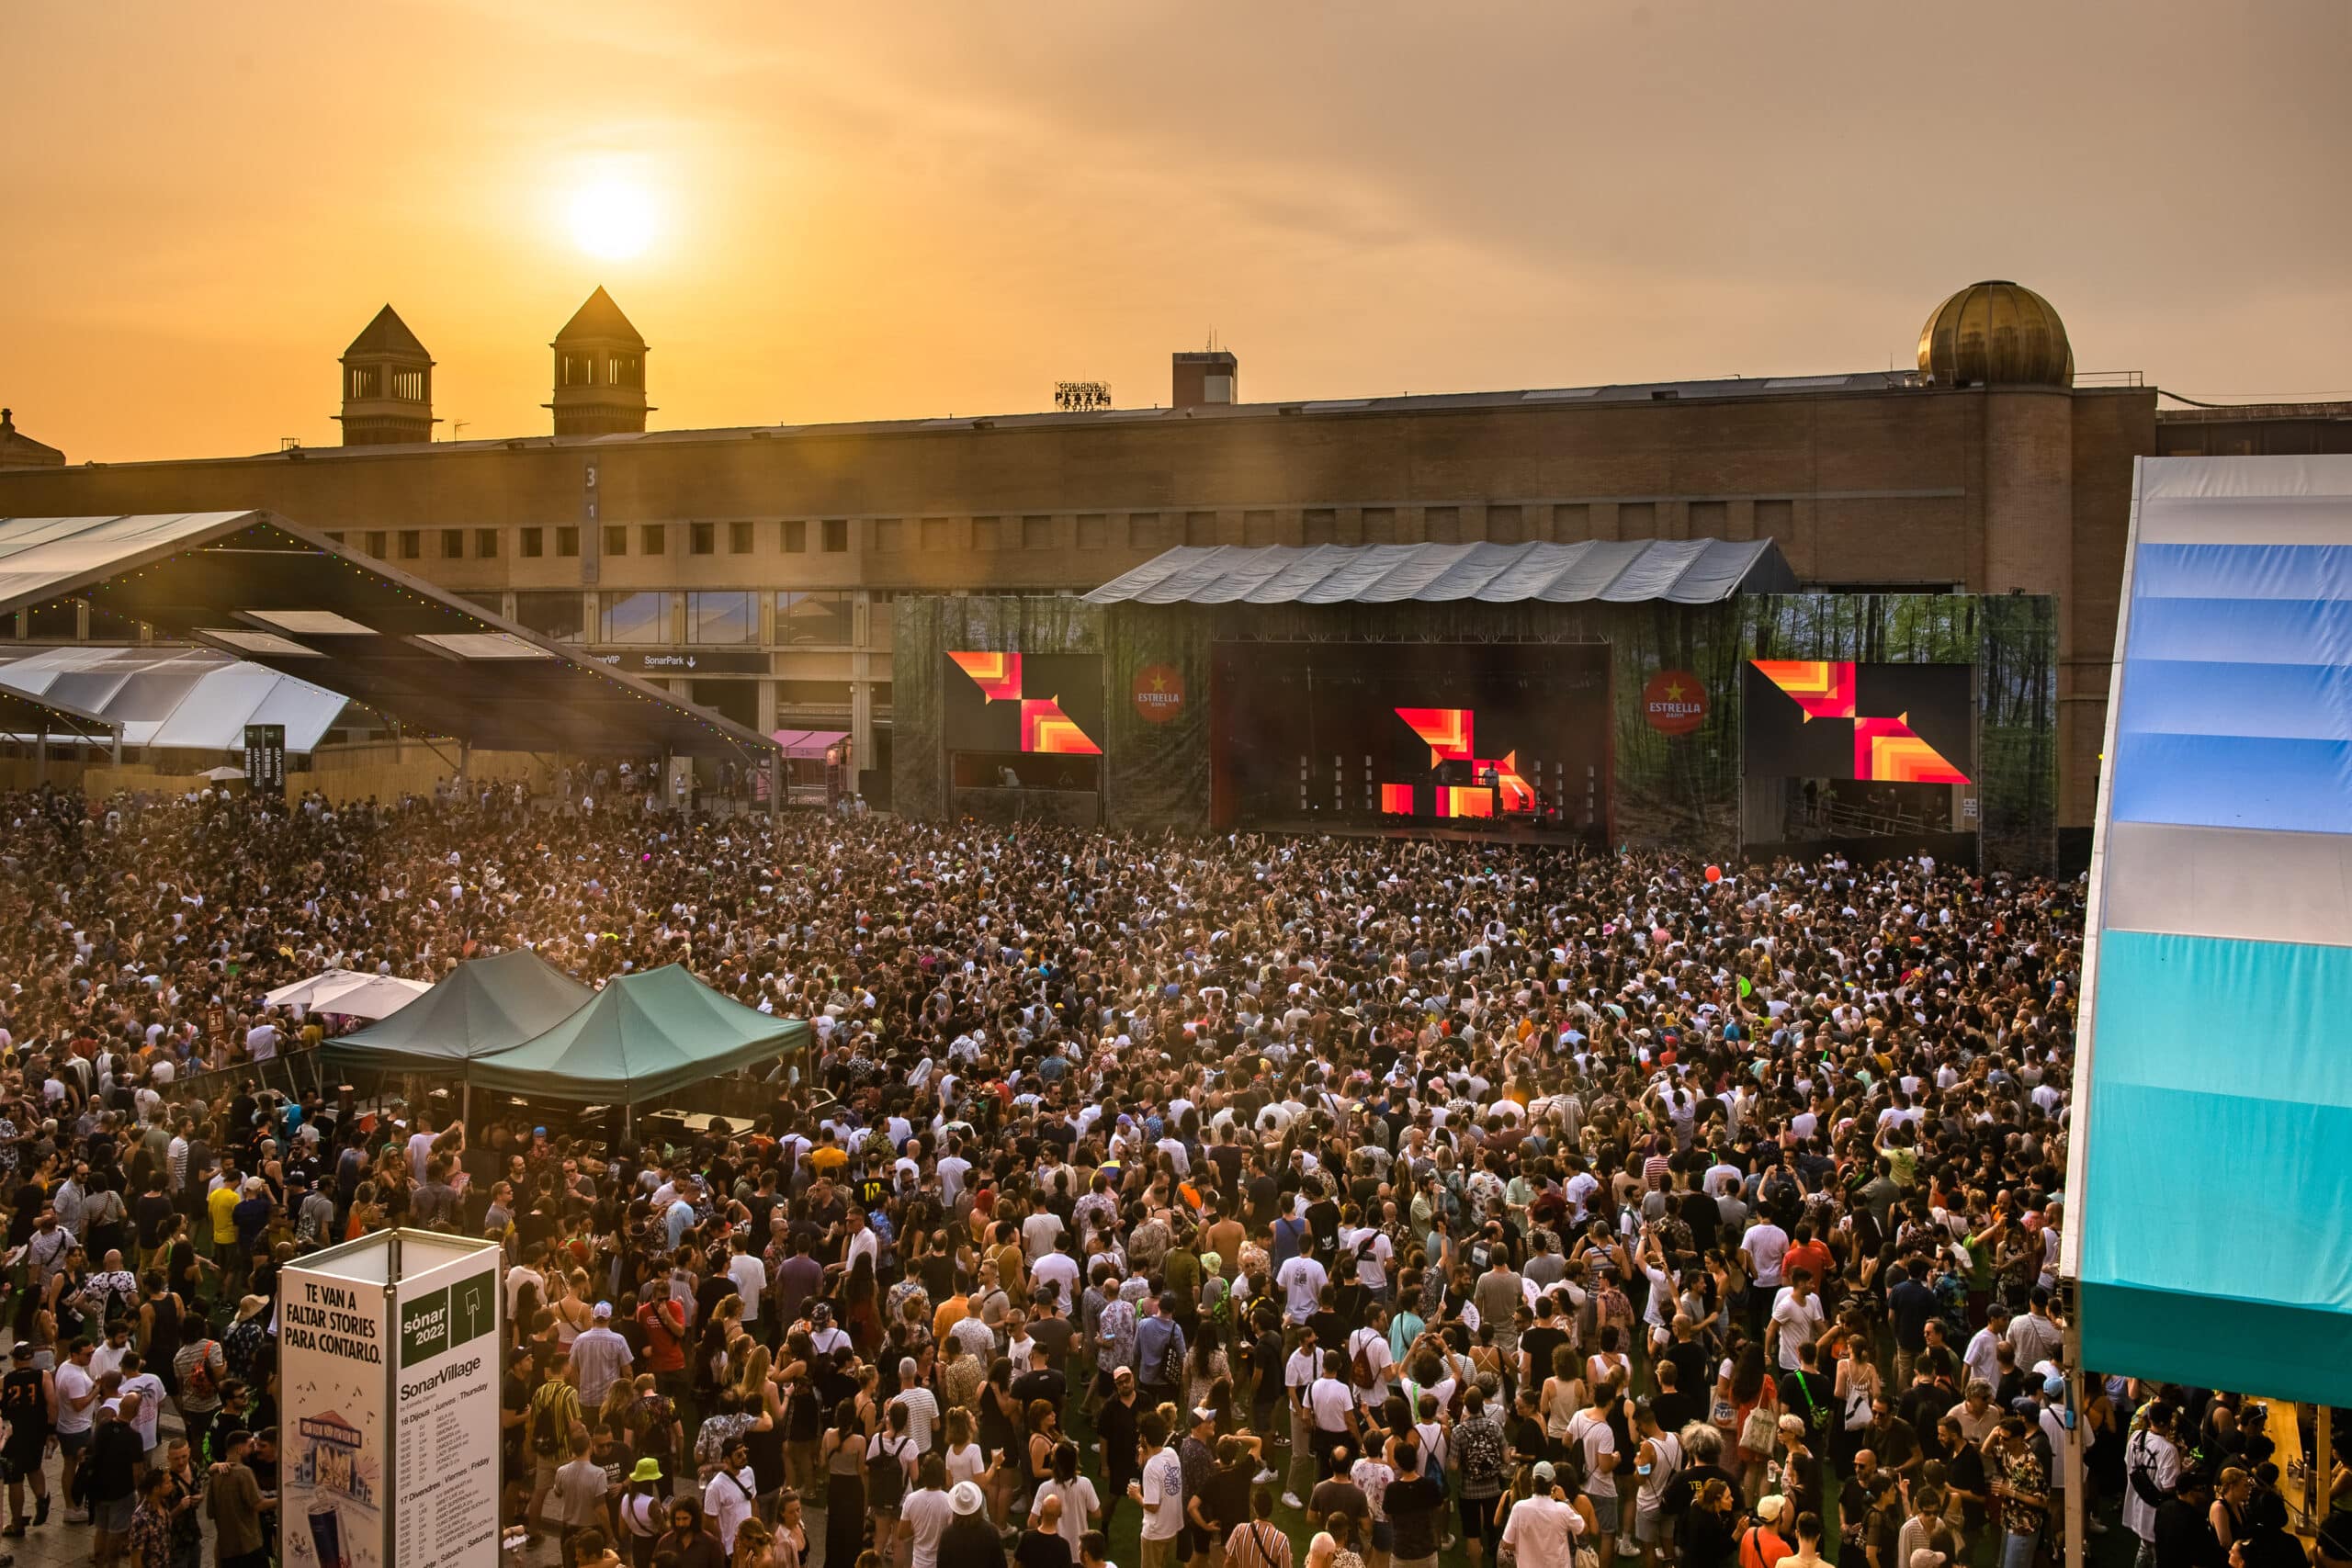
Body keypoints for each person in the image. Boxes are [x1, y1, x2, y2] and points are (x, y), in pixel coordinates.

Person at [205, 1428, 273, 1568]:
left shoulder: (215, 1476)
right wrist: (282, 1499)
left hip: (227, 1550)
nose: (254, 1449)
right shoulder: (244, 1473)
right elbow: (258, 1505)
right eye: (250, 1446)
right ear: (239, 1449)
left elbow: (210, 1513)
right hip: (249, 1546)